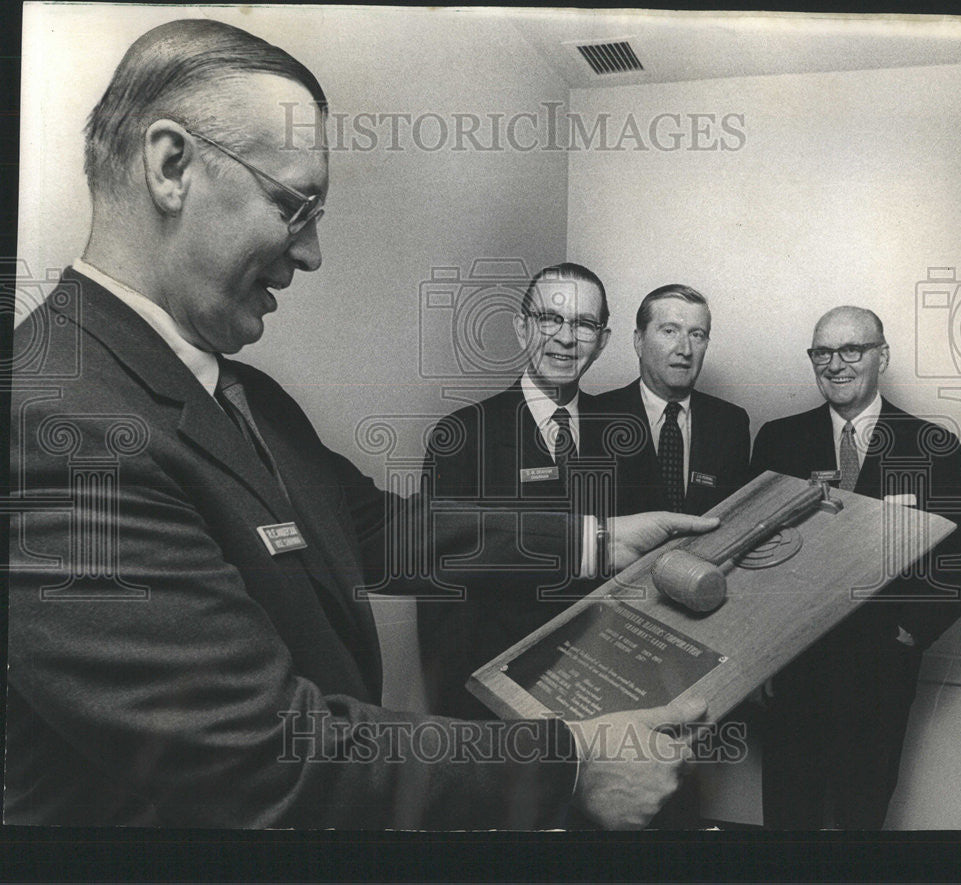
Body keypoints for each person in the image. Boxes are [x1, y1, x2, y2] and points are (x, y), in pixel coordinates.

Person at [5, 18, 720, 831]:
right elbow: (266, 756)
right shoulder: (53, 424)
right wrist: (571, 768)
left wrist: (603, 541)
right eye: (294, 205)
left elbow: (376, 525)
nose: (309, 254)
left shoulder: (245, 392)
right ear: (172, 167)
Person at [750, 306, 961, 829]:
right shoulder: (778, 440)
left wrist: (909, 632)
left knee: (863, 817)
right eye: (822, 352)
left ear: (882, 354)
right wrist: (757, 657)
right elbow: (753, 556)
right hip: (793, 671)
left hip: (880, 672)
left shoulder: (931, 445)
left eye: (851, 349)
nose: (836, 364)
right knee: (788, 820)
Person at [420, 262, 613, 718]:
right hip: (497, 708)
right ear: (522, 328)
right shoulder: (463, 437)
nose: (566, 338)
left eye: (584, 324)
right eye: (550, 319)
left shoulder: (623, 434)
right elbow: (440, 602)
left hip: (603, 693)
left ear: (602, 341)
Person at [592, 284, 750, 518]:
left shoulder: (730, 424)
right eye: (669, 331)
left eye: (697, 335)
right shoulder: (594, 417)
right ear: (639, 341)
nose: (685, 350)